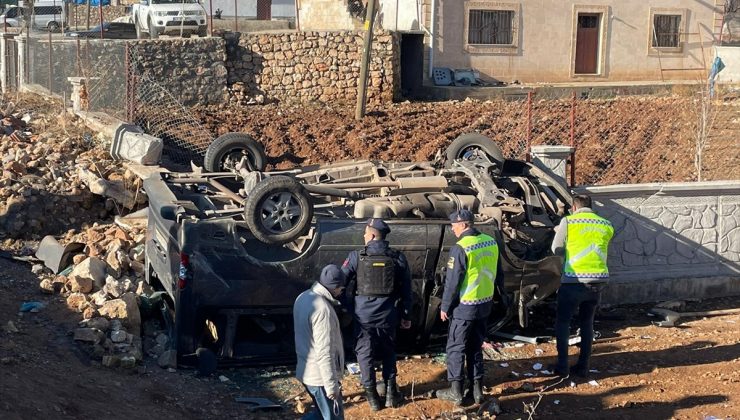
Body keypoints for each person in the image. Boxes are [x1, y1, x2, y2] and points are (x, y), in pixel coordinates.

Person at [341, 218, 412, 411]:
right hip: (388, 315)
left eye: (365, 233)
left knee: (365, 354)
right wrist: (406, 315)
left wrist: (348, 306)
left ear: (372, 235)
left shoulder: (357, 256)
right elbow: (407, 290)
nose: (364, 236)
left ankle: (372, 399)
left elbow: (341, 282)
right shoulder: (398, 257)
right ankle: (390, 395)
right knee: (389, 351)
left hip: (363, 316)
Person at [437, 209, 504, 406]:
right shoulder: (491, 241)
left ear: (464, 224)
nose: (453, 229)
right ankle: (477, 390)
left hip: (465, 306)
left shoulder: (461, 247)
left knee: (456, 347)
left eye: (454, 226)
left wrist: (445, 307)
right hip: (485, 303)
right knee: (475, 347)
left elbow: (452, 282)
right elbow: (499, 273)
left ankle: (456, 391)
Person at [550, 194, 614, 378]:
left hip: (574, 279)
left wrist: (560, 233)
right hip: (598, 281)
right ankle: (583, 366)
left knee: (563, 322)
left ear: (574, 207)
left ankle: (562, 366)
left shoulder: (569, 222)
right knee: (587, 323)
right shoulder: (606, 224)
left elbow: (556, 249)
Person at [294, 264, 347, 420]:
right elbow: (325, 351)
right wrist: (331, 386)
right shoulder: (323, 310)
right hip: (320, 378)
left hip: (306, 370)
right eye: (341, 288)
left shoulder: (303, 297)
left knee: (319, 414)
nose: (341, 291)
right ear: (336, 287)